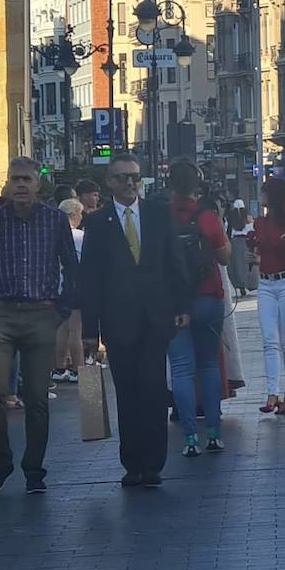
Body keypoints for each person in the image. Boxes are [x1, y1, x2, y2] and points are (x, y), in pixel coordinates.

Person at [0, 157, 80, 494]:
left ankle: (34, 469)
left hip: (42, 314)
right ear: (8, 184)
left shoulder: (55, 220)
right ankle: (1, 461)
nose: (21, 185)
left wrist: (62, 309)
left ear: (37, 184)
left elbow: (72, 268)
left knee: (37, 397)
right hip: (1, 314)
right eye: (16, 179)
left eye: (27, 179)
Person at [80, 153, 191, 488]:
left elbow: (175, 261)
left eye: (135, 177)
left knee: (154, 389)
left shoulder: (158, 214)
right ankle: (133, 463)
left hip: (156, 316)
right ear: (110, 182)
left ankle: (154, 463)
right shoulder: (98, 223)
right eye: (123, 178)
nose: (130, 183)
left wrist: (182, 304)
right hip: (118, 321)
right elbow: (91, 278)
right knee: (128, 393)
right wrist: (89, 329)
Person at [166, 161, 231, 458]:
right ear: (197, 186)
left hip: (174, 302)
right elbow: (226, 257)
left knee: (181, 369)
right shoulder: (207, 217)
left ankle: (190, 438)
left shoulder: (161, 216)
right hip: (208, 298)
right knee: (208, 365)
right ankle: (214, 433)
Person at [252, 177, 285, 415]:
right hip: (266, 283)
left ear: (273, 196)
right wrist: (252, 259)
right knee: (269, 341)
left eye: (264, 192)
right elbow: (258, 252)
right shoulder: (259, 223)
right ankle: (272, 392)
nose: (260, 196)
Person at [51, 199, 86, 384]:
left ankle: (59, 367)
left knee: (62, 328)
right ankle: (78, 369)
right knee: (76, 330)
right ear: (73, 214)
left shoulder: (52, 234)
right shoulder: (79, 237)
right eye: (80, 213)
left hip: (57, 286)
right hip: (74, 286)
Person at [226, 198, 253, 296]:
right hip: (245, 241)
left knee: (236, 264)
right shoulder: (247, 218)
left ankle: (238, 285)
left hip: (234, 242)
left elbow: (227, 231)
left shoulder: (230, 218)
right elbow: (252, 229)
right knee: (245, 264)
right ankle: (246, 284)